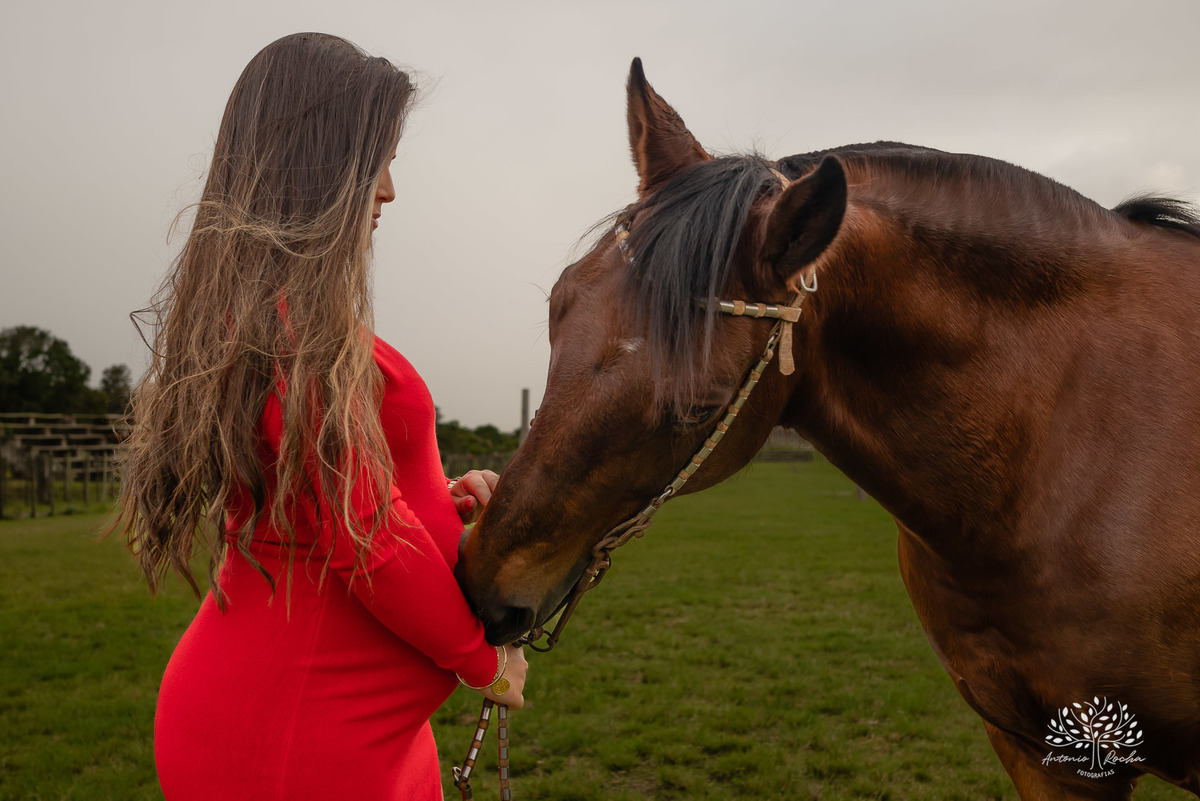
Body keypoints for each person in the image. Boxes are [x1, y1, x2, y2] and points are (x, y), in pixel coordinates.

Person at [114, 32, 527, 800]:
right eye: (379, 161)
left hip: (346, 730)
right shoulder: (288, 339)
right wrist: (486, 659)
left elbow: (336, 508)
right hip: (298, 740)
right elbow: (364, 538)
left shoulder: (280, 327)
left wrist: (442, 499)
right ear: (324, 165)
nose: (390, 190)